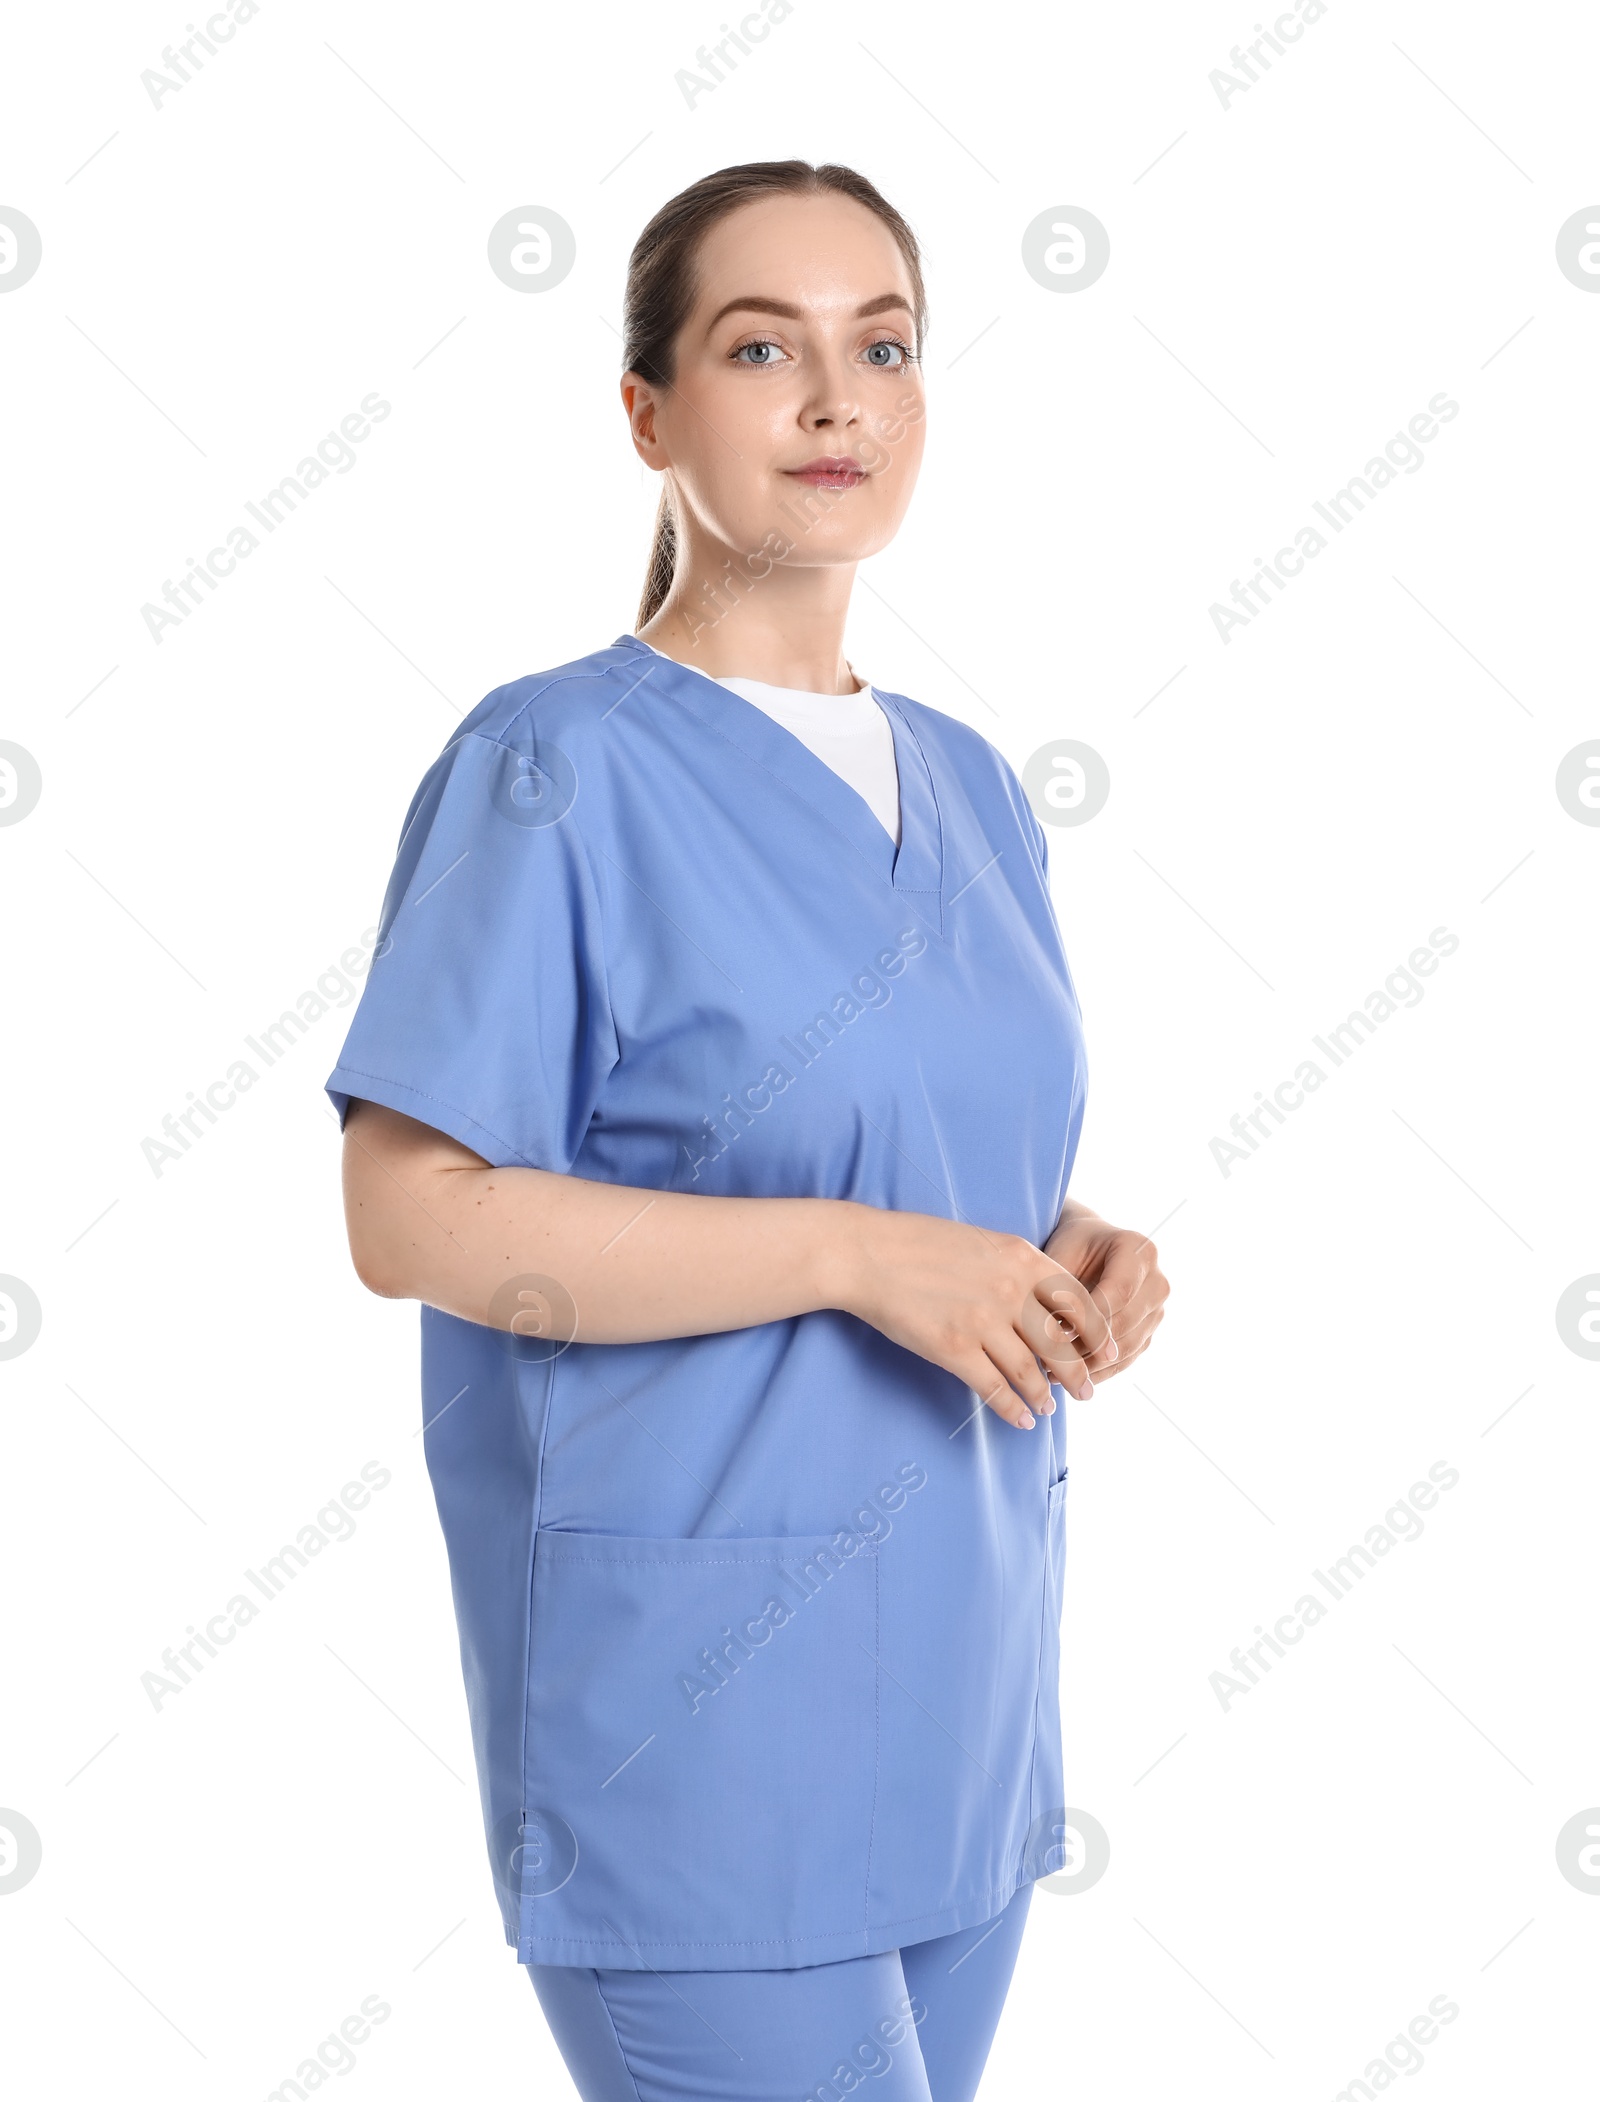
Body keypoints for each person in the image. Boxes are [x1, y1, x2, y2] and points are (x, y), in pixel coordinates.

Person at [326, 159, 1168, 2102]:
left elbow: (884, 1138)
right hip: (690, 1725)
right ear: (647, 415)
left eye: (880, 345)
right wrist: (852, 1257)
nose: (833, 399)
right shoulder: (557, 765)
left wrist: (1059, 1241)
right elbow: (409, 1213)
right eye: (757, 347)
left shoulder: (966, 785)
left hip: (954, 1689)